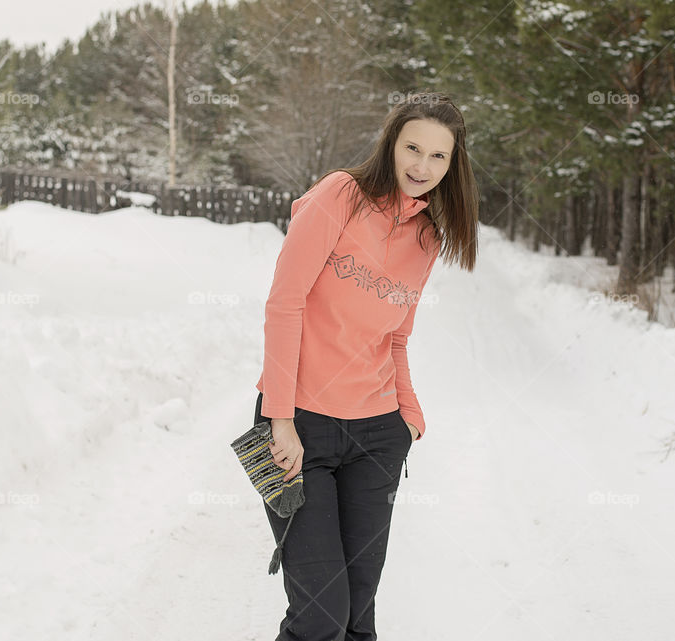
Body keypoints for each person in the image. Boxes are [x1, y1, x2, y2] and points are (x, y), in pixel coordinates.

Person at [253, 90, 478, 640]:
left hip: (377, 436)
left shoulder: (427, 237)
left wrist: (409, 417)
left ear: (453, 165)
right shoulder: (340, 194)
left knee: (357, 616)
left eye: (439, 157)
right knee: (320, 615)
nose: (422, 166)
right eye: (413, 148)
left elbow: (396, 339)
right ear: (391, 143)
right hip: (291, 427)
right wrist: (279, 419)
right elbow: (284, 304)